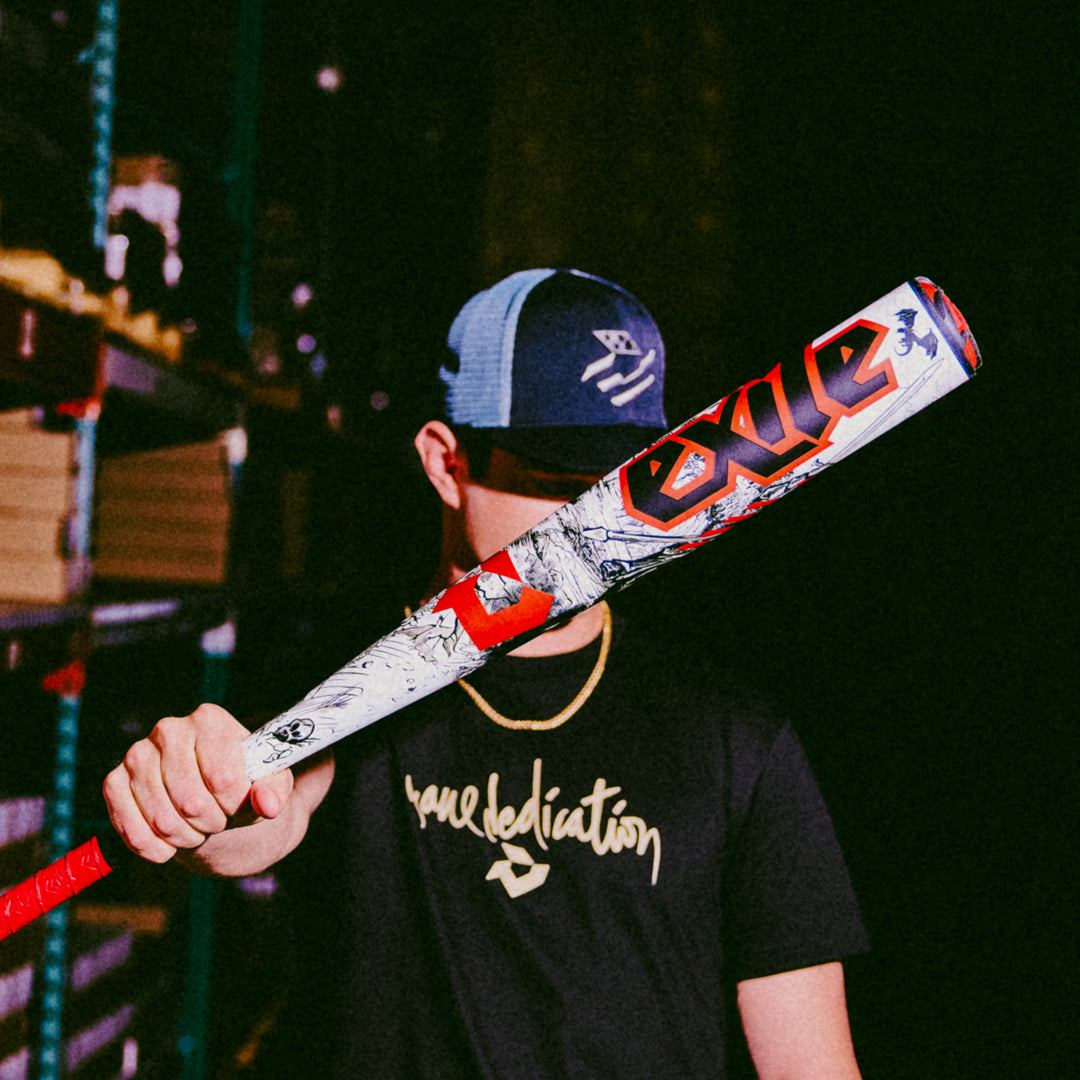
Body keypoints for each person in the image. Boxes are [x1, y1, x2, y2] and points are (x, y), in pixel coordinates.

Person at [104, 268, 869, 1078]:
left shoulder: (736, 738)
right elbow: (264, 816)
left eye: (626, 482)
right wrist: (196, 789)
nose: (600, 526)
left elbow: (810, 1064)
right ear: (447, 464)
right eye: (555, 482)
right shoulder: (346, 685)